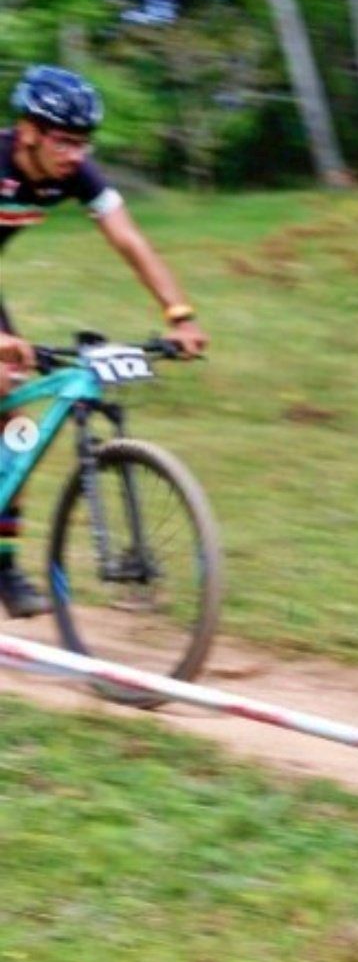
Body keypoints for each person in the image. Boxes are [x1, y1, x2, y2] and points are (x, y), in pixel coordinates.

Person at [0, 64, 210, 618]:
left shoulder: (75, 174)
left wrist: (179, 313)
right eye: (65, 141)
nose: (76, 154)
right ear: (28, 132)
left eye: (83, 143)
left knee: (14, 426)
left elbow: (130, 240)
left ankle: (1, 564)